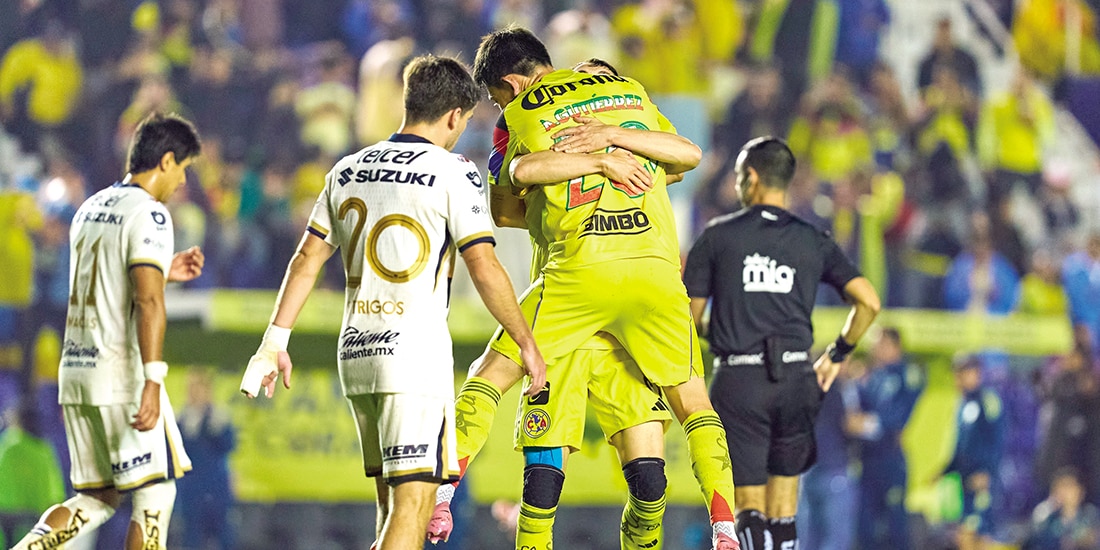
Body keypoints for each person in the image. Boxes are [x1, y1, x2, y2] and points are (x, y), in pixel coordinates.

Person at [440, 29, 739, 550]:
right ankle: (725, 525)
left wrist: (579, 165)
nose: (497, 106)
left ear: (509, 84)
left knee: (512, 418)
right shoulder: (630, 96)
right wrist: (611, 142)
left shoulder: (519, 115)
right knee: (672, 440)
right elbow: (685, 156)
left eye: (494, 97)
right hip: (653, 278)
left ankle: (441, 492)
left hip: (575, 279)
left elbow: (510, 196)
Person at [237, 54, 545, 550]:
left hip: (357, 353)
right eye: (463, 122)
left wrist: (273, 342)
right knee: (413, 509)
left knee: (394, 510)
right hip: (413, 355)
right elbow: (483, 265)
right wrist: (526, 342)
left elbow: (306, 259)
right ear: (453, 116)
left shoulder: (347, 169)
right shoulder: (453, 171)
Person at [10, 112, 204, 550]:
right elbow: (147, 301)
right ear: (167, 161)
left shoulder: (90, 207)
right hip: (121, 376)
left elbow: (104, 281)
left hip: (76, 370)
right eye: (184, 171)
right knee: (156, 491)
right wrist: (153, 381)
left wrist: (162, 270)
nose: (181, 185)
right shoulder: (151, 215)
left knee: (96, 499)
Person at [683, 136, 881, 549]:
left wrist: (720, 329)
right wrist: (838, 354)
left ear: (751, 178)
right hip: (796, 378)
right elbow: (869, 302)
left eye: (739, 177)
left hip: (740, 380)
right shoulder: (814, 239)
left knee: (749, 508)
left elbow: (689, 319)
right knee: (785, 509)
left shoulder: (717, 237)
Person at [846, 327, 924, 550]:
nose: (873, 348)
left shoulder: (907, 373)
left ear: (893, 345)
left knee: (895, 524)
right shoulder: (872, 375)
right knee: (866, 526)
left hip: (890, 460)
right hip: (868, 460)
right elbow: (854, 412)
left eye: (879, 343)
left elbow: (897, 418)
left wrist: (867, 424)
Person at [943, 355, 1006, 550]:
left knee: (982, 530)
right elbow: (961, 444)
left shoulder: (987, 400)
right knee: (965, 530)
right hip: (966, 479)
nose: (960, 379)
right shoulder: (962, 403)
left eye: (964, 373)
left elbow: (998, 439)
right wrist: (946, 470)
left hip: (982, 479)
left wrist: (986, 471)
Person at [175, 370, 235, 550]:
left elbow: (229, 445)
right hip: (191, 488)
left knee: (224, 537)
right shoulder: (181, 418)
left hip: (216, 487)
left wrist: (215, 426)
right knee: (191, 538)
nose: (195, 392)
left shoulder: (219, 417)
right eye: (192, 388)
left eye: (199, 388)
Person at [1022, 466, 1100, 550]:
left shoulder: (1091, 516)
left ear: (1080, 490)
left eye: (1069, 486)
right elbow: (1032, 542)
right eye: (1059, 487)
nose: (1064, 492)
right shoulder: (1047, 519)